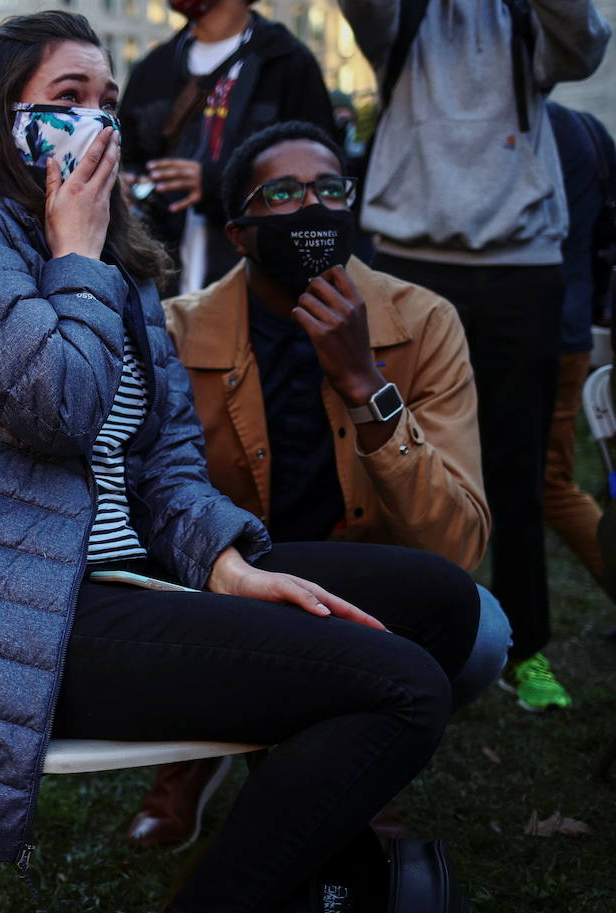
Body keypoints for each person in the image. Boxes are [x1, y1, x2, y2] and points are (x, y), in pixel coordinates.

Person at [0, 13, 479, 913]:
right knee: (405, 689)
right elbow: (58, 403)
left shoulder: (119, 260)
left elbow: (164, 462)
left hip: (134, 579)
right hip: (3, 614)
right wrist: (74, 252)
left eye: (107, 103)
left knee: (445, 607)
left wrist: (226, 566)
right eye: (68, 100)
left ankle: (296, 832)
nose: (97, 122)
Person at [128, 121, 510, 849]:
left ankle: (348, 765)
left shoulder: (423, 323)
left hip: (366, 590)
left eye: (331, 190)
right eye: (283, 194)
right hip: (230, 590)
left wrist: (365, 383)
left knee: (484, 631)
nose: (314, 209)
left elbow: (457, 544)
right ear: (239, 233)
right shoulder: (177, 332)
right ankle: (192, 758)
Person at [338, 0, 610, 711]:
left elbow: (583, 49)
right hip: (408, 256)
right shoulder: (405, 16)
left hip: (522, 264)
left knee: (517, 465)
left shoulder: (527, 18)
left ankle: (526, 650)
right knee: (394, 454)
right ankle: (399, 642)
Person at [118, 0, 335, 294]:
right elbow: (126, 154)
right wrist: (128, 182)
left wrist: (218, 184)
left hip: (256, 286)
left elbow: (322, 178)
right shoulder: (154, 67)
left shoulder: (287, 63)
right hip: (160, 283)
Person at [543, 100, 616, 594]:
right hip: (570, 326)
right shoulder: (583, 126)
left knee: (550, 484)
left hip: (538, 333)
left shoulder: (534, 129)